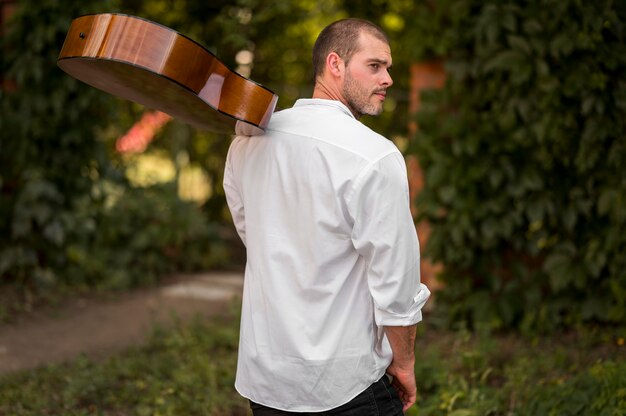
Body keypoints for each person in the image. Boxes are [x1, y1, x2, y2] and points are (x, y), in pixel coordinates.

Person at [223, 18, 430, 415]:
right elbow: (396, 286)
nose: (387, 78)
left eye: (388, 68)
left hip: (265, 379)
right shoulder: (375, 155)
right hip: (345, 385)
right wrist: (404, 364)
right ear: (334, 64)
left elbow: (257, 236)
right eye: (375, 66)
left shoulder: (247, 143)